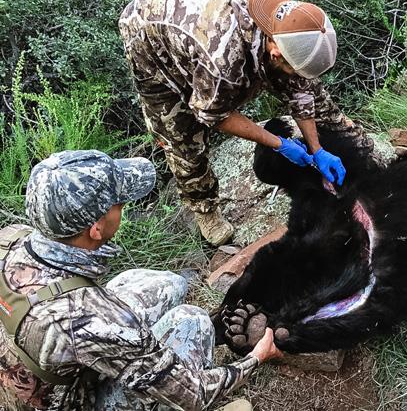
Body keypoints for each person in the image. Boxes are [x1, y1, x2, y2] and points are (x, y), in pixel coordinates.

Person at [0, 150, 280, 410]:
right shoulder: (88, 319)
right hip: (68, 399)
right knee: (193, 321)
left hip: (44, 356)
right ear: (96, 229)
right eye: (119, 203)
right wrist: (256, 357)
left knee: (170, 285)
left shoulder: (9, 238)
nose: (123, 206)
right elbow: (194, 395)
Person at [119, 0, 374, 246]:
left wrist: (317, 149)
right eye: (290, 66)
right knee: (181, 136)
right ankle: (204, 208)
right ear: (275, 51)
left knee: (310, 92)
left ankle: (358, 147)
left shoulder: (294, 21)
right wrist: (279, 144)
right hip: (150, 36)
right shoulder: (222, 62)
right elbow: (213, 115)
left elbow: (300, 89)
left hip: (194, 7)